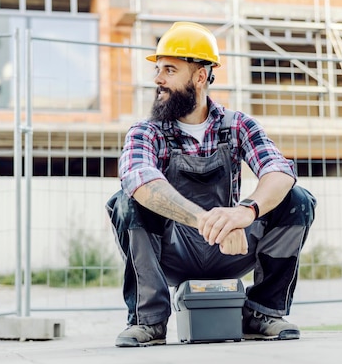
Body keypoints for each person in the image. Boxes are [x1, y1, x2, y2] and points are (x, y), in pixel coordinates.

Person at [105, 21, 316, 347]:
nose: (158, 79)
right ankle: (149, 322)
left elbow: (279, 171)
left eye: (170, 70)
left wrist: (246, 212)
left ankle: (261, 313)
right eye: (158, 70)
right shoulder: (146, 131)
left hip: (231, 249)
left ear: (200, 76)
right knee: (127, 200)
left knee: (297, 199)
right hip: (174, 252)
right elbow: (139, 178)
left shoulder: (238, 126)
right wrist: (207, 220)